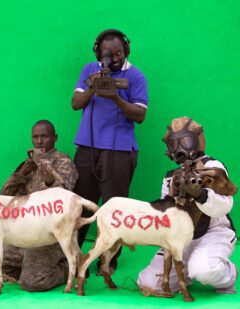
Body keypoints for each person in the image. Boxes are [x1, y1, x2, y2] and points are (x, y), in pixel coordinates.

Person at [71, 29, 148, 272]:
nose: (113, 58)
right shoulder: (88, 70)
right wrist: (93, 87)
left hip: (119, 151)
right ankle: (72, 257)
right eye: (108, 54)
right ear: (97, 52)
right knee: (82, 205)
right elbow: (75, 104)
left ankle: (108, 261)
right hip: (87, 148)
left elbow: (140, 115)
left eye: (119, 53)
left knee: (114, 208)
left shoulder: (136, 76)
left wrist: (115, 97)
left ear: (127, 51)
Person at [137, 117, 237, 296]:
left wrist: (201, 194)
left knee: (205, 270)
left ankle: (229, 274)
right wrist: (172, 198)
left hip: (213, 232)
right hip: (182, 238)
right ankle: (186, 272)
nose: (179, 149)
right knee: (150, 283)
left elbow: (225, 206)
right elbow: (166, 217)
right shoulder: (170, 177)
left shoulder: (212, 167)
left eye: (184, 141)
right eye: (173, 144)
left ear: (197, 140)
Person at [0, 120, 78, 291]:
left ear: (55, 138)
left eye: (45, 136)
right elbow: (4, 196)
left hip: (50, 236)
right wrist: (22, 172)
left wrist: (45, 167)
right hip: (25, 233)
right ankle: (30, 264)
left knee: (32, 282)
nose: (39, 141)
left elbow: (62, 198)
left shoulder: (63, 162)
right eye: (35, 137)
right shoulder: (28, 164)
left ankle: (68, 265)